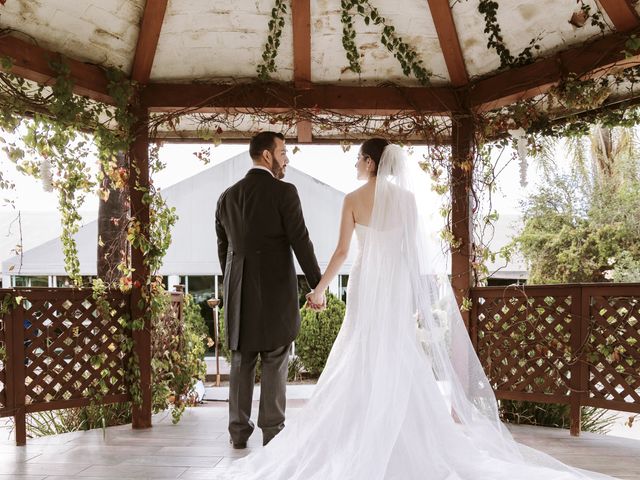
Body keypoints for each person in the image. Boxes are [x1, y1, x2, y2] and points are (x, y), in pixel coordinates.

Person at [216, 139, 615, 479]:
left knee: (358, 353)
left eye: (359, 158)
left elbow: (341, 253)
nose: (355, 163)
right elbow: (411, 255)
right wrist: (417, 298)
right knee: (397, 353)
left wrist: (319, 289)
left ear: (371, 163)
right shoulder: (406, 201)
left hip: (367, 284)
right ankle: (400, 427)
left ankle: (338, 429)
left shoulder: (352, 199)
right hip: (394, 289)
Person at [215, 131, 324, 450]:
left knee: (242, 358)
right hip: (275, 290)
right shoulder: (284, 192)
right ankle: (273, 432)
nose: (286, 159)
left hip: (238, 289)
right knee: (275, 357)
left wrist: (232, 284)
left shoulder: (226, 196)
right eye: (283, 152)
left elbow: (223, 250)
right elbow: (301, 242)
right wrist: (317, 284)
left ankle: (238, 432)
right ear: (266, 155)